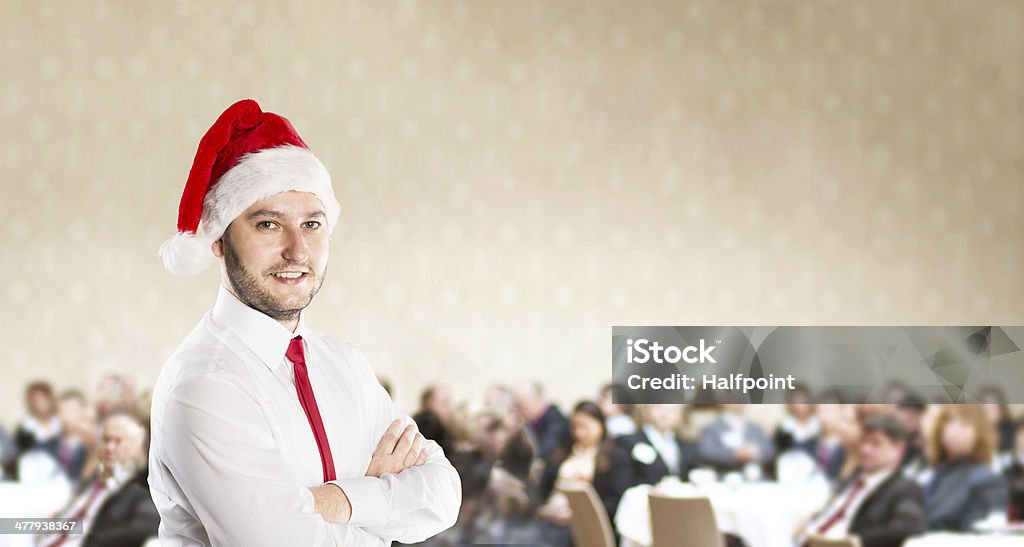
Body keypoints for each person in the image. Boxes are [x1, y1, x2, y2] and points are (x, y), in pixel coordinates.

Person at [148, 99, 460, 546]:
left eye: (312, 223)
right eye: (269, 224)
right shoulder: (204, 384)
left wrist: (329, 501)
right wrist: (377, 501)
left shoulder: (344, 362)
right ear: (218, 240)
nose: (297, 250)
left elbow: (444, 495)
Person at [798, 413, 926, 547]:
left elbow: (909, 527)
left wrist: (857, 541)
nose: (865, 450)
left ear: (898, 450)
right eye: (864, 441)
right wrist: (811, 520)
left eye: (876, 444)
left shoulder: (905, 489)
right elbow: (832, 511)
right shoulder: (855, 478)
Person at [42, 413, 159, 547]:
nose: (109, 448)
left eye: (118, 441)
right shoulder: (92, 484)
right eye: (106, 440)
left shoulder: (141, 493)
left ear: (140, 450)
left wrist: (94, 538)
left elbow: (149, 525)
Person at [536, 401, 632, 547]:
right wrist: (544, 510)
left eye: (585, 426)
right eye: (575, 427)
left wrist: (576, 514)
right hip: (551, 514)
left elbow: (615, 501)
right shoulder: (561, 453)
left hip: (585, 522)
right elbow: (541, 491)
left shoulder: (615, 457)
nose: (579, 433)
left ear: (600, 425)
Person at [922, 404, 1008, 531]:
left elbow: (980, 532)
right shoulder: (938, 474)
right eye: (949, 421)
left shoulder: (986, 480)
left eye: (964, 424)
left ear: (980, 432)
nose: (954, 430)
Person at [618, 404, 698, 485]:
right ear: (645, 411)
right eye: (659, 408)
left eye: (672, 409)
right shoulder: (628, 442)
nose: (664, 415)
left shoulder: (688, 447)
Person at [698, 403, 775, 477]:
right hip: (724, 478)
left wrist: (753, 452)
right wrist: (734, 454)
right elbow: (706, 452)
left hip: (755, 479)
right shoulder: (712, 428)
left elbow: (769, 451)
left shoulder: (755, 428)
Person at [513, 382, 570, 462]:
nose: (518, 411)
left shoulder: (556, 421)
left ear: (536, 400)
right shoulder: (528, 423)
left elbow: (542, 452)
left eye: (521, 406)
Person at [55, 390, 94, 488]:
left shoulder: (93, 446)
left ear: (84, 411)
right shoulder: (50, 445)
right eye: (61, 411)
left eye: (71, 411)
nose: (65, 417)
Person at [15, 381, 62, 461]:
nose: (39, 404)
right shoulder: (25, 427)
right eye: (35, 400)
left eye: (42, 399)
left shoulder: (62, 423)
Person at [413, 384, 454, 457]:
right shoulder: (426, 425)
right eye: (444, 403)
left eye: (448, 404)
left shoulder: (449, 429)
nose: (448, 409)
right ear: (427, 403)